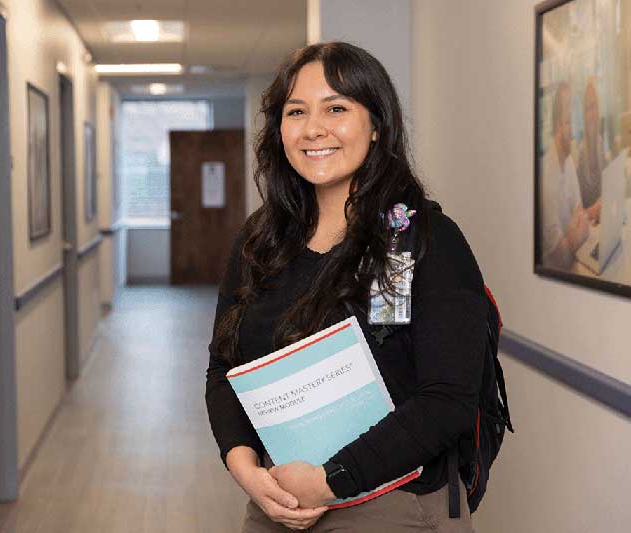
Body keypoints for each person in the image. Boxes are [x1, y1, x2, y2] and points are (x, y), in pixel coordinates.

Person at [205, 42, 488, 532]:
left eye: (336, 108)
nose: (314, 128)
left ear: (376, 124)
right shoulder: (259, 242)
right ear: (280, 131)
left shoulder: (414, 238)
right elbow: (224, 368)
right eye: (296, 112)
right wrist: (244, 467)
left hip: (393, 505)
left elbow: (446, 399)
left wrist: (332, 479)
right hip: (278, 500)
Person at [540, 81, 590, 271]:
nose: (575, 130)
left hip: (573, 263)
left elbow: (580, 210)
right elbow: (559, 255)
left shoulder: (568, 159)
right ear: (556, 125)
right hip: (557, 276)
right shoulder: (546, 180)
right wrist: (574, 234)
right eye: (569, 121)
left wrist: (570, 236)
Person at [575, 78, 605, 222]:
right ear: (583, 114)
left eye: (594, 106)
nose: (592, 113)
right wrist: (596, 208)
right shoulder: (581, 154)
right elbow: (578, 212)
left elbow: (607, 186)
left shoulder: (600, 143)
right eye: (588, 109)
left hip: (602, 218)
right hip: (589, 225)